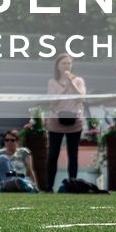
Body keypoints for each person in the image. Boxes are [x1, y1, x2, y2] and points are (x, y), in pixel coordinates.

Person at [46, 52, 87, 186]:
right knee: (53, 154)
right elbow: (53, 102)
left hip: (74, 121)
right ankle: (49, 186)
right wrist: (65, 88)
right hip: (56, 121)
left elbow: (81, 98)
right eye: (63, 63)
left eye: (69, 63)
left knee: (73, 155)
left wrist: (71, 83)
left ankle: (72, 184)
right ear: (57, 66)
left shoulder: (79, 81)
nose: (66, 66)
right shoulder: (52, 82)